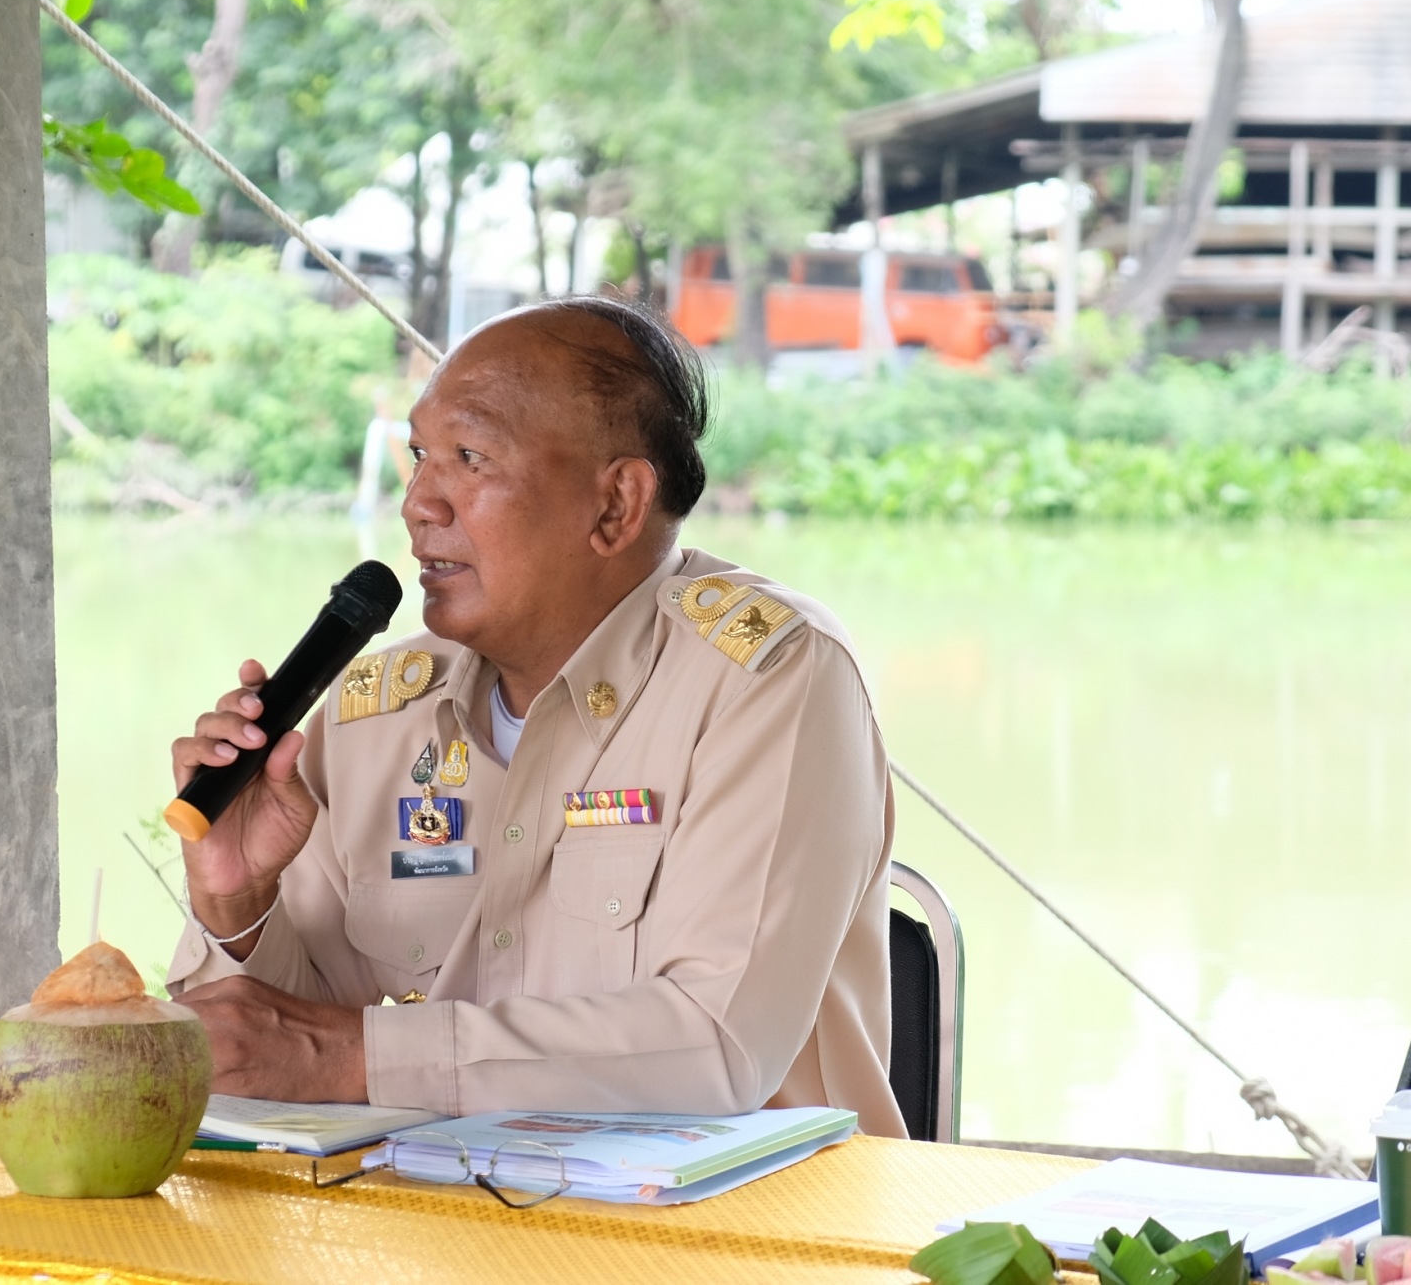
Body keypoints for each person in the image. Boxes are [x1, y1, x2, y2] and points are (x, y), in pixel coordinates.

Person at [167, 296, 905, 1135]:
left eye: (470, 456)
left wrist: (349, 1058)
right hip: (452, 1229)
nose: (418, 503)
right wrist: (240, 901)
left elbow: (718, 1043)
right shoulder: (377, 711)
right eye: (419, 455)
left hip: (745, 1238)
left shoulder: (770, 675)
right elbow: (266, 1050)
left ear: (616, 506)